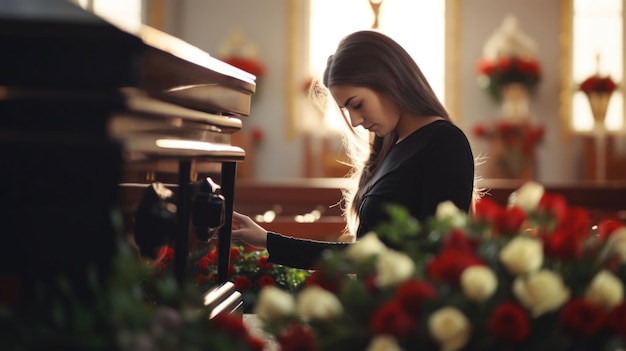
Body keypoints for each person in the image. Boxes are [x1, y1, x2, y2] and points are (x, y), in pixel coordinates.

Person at [232, 30, 475, 269]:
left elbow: (436, 255)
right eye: (346, 110)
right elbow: (365, 255)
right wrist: (266, 240)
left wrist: (271, 242)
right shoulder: (389, 146)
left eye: (357, 104)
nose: (356, 121)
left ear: (389, 80)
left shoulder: (444, 143)